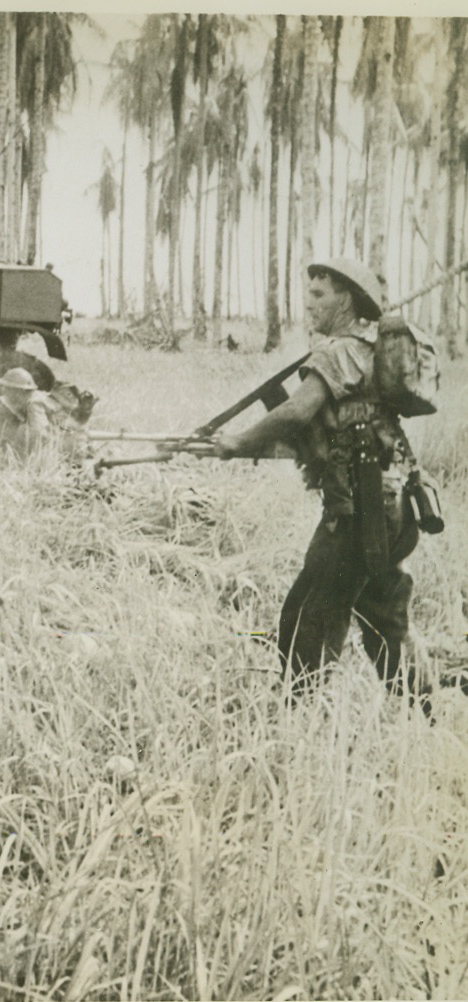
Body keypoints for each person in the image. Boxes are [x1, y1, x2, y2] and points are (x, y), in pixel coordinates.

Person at [214, 257, 423, 702]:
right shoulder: (370, 350)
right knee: (386, 616)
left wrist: (236, 442)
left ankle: (296, 712)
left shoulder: (337, 351)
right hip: (395, 505)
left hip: (358, 512)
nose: (309, 304)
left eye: (319, 294)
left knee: (311, 612)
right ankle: (421, 707)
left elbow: (296, 411)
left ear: (345, 298)